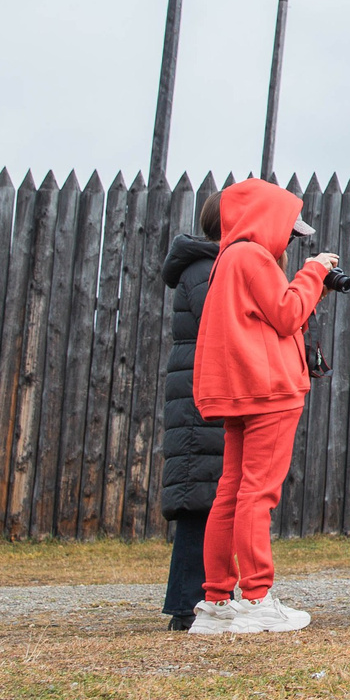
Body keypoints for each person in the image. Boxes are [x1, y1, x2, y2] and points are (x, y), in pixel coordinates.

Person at [189, 178, 338, 635]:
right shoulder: (253, 256)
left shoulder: (228, 258)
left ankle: (216, 600)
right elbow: (286, 314)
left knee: (231, 492)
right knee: (258, 493)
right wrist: (313, 272)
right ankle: (256, 598)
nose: (289, 240)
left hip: (243, 391)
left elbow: (264, 318)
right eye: (290, 231)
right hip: (270, 391)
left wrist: (308, 285)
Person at [156, 195, 223, 630]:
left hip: (200, 391)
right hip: (202, 397)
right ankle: (187, 604)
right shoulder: (204, 270)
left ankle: (201, 598)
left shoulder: (207, 266)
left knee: (207, 497)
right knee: (199, 500)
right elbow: (223, 318)